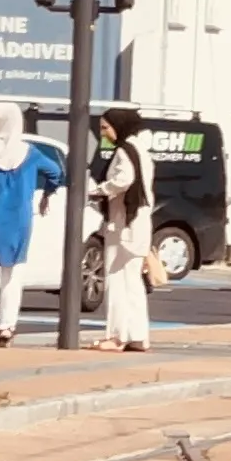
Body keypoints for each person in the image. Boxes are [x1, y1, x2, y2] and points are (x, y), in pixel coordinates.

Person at [0, 100, 62, 346]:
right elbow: (55, 172)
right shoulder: (29, 153)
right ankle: (7, 327)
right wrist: (47, 194)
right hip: (19, 221)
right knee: (13, 275)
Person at [88, 108, 155, 353]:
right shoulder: (141, 151)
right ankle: (138, 336)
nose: (103, 132)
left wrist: (98, 190)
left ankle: (117, 336)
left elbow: (123, 180)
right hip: (139, 223)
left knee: (116, 282)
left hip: (123, 224)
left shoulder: (124, 151)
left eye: (106, 127)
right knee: (133, 282)